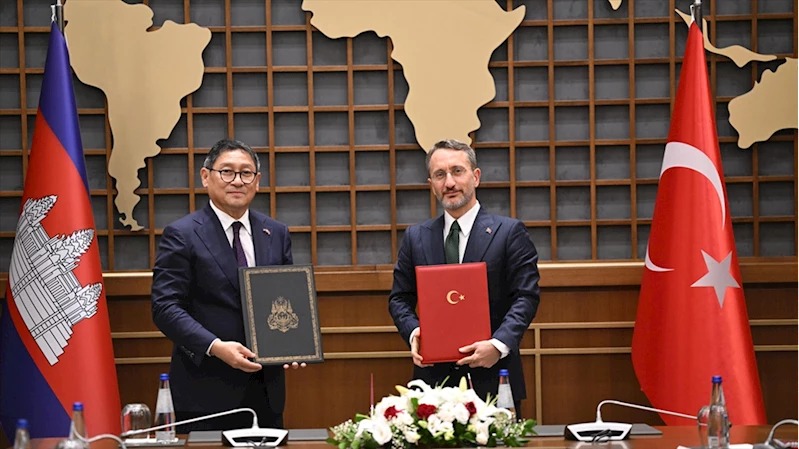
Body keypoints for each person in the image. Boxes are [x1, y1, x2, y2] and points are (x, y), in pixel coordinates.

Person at [151, 138, 304, 432]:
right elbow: (165, 308)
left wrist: (294, 345)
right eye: (227, 172)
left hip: (266, 391)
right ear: (205, 176)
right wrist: (216, 347)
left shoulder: (276, 233)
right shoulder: (182, 234)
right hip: (205, 390)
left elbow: (284, 297)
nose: (237, 181)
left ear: (257, 181)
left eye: (246, 173)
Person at [388, 138, 541, 415]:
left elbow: (526, 296)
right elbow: (399, 298)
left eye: (457, 171)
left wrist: (498, 345)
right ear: (431, 184)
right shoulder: (416, 237)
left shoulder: (509, 233)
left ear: (476, 176)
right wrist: (414, 333)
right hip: (432, 385)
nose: (449, 182)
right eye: (440, 175)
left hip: (494, 377)